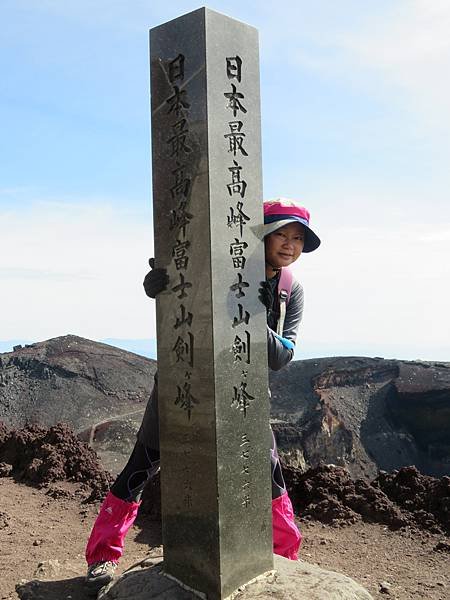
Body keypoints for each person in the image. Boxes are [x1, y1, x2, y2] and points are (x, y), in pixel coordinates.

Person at [84, 198, 321, 592]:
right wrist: (159, 287)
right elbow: (179, 306)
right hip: (184, 381)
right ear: (257, 234)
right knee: (144, 463)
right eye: (281, 233)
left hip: (243, 391)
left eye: (298, 238)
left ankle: (286, 558)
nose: (290, 245)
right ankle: (103, 558)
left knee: (269, 473)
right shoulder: (211, 265)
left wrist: (257, 317)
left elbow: (282, 357)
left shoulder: (287, 289)